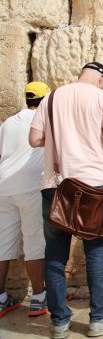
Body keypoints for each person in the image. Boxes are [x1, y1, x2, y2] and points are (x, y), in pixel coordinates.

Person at [29, 62, 103, 339]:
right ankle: (99, 318)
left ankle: (59, 322)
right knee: (96, 253)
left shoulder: (51, 98)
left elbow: (34, 139)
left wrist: (62, 137)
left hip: (55, 185)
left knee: (54, 256)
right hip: (92, 186)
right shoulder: (102, 97)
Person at [0, 82, 50, 318]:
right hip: (30, 188)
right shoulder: (44, 122)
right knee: (34, 242)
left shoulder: (8, 123)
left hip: (4, 187)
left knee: (2, 244)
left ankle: (0, 299)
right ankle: (40, 298)